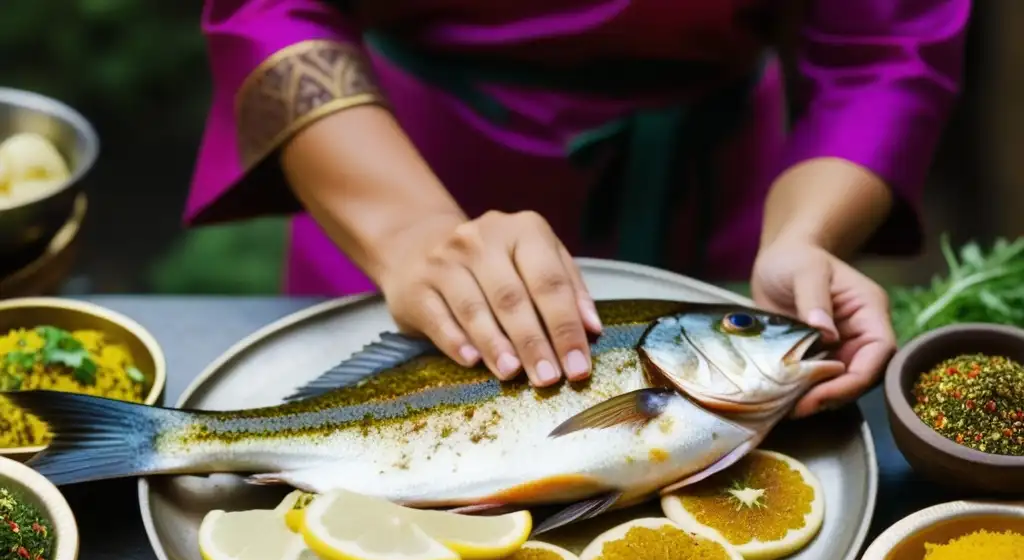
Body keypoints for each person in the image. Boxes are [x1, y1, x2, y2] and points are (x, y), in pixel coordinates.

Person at [184, 0, 969, 417]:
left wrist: (806, 234)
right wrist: (410, 231)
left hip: (711, 207)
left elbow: (885, 45)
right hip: (397, 181)